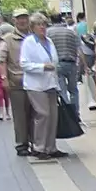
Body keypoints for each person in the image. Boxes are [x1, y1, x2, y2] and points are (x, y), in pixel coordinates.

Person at [19, 14, 62, 162]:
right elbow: (24, 64)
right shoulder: (29, 42)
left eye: (44, 24)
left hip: (51, 83)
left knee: (53, 116)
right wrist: (42, 67)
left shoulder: (49, 41)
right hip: (36, 85)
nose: (42, 27)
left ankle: (51, 147)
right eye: (39, 25)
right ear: (32, 27)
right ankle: (39, 147)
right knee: (42, 115)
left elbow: (54, 61)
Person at [0, 12, 33, 155]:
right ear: (14, 21)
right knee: (20, 115)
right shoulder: (8, 39)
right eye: (19, 19)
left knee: (36, 114)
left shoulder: (34, 37)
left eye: (25, 18)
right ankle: (22, 144)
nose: (23, 21)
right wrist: (4, 78)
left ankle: (36, 142)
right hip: (18, 81)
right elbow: (1, 59)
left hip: (36, 81)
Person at [47, 15, 82, 110]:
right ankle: (76, 113)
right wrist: (84, 65)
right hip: (71, 63)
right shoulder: (71, 32)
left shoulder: (48, 33)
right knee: (73, 90)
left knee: (62, 90)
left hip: (57, 64)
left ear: (51, 20)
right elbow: (79, 49)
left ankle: (67, 112)